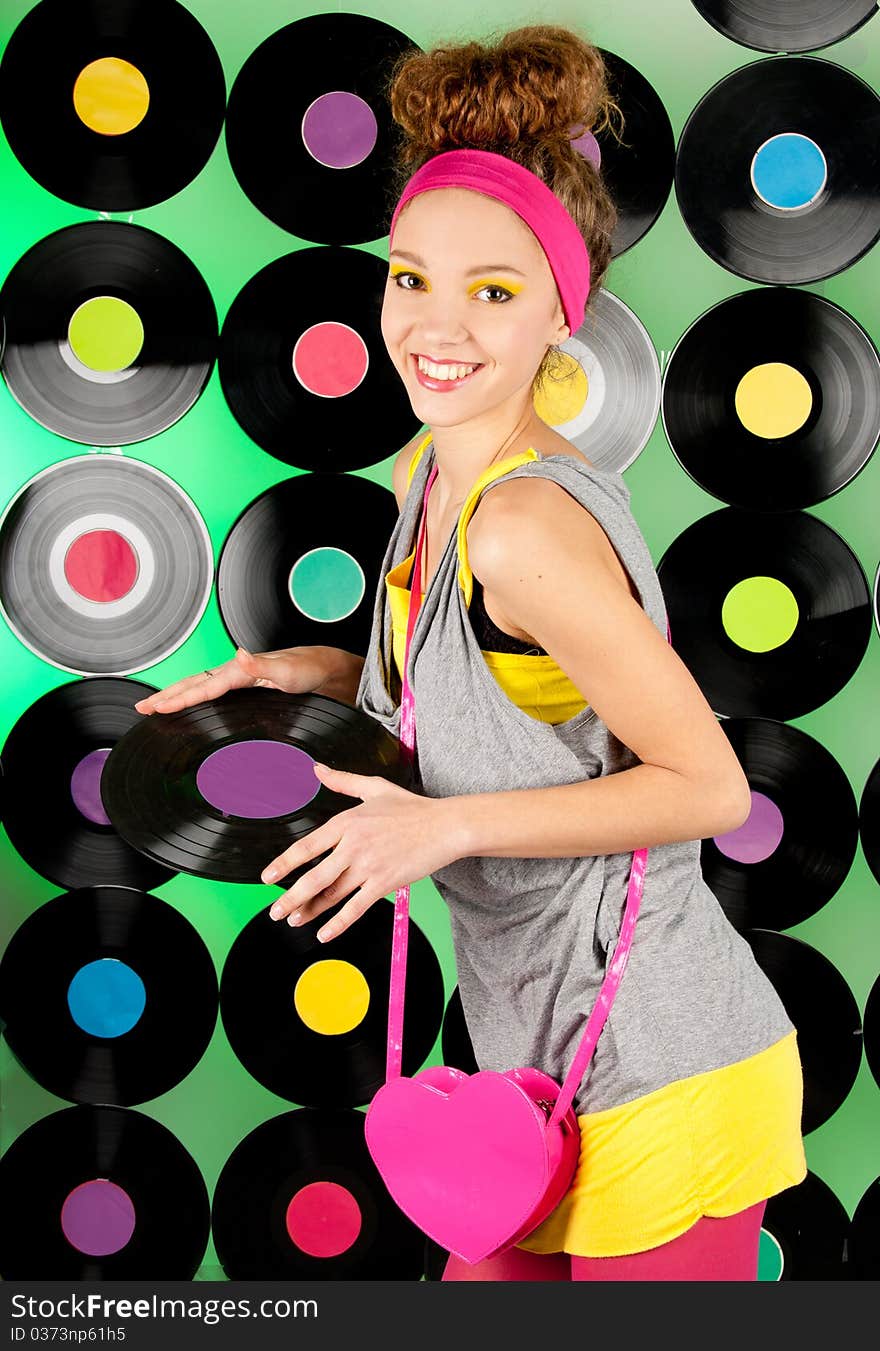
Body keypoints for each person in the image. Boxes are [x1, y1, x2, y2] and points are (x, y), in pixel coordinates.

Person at [136, 24, 808, 1281]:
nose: (433, 326)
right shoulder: (433, 472)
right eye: (408, 276)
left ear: (565, 310)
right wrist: (308, 677)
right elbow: (487, 693)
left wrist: (440, 828)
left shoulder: (522, 526)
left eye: (492, 291)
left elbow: (709, 788)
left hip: (662, 1065)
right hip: (534, 1064)